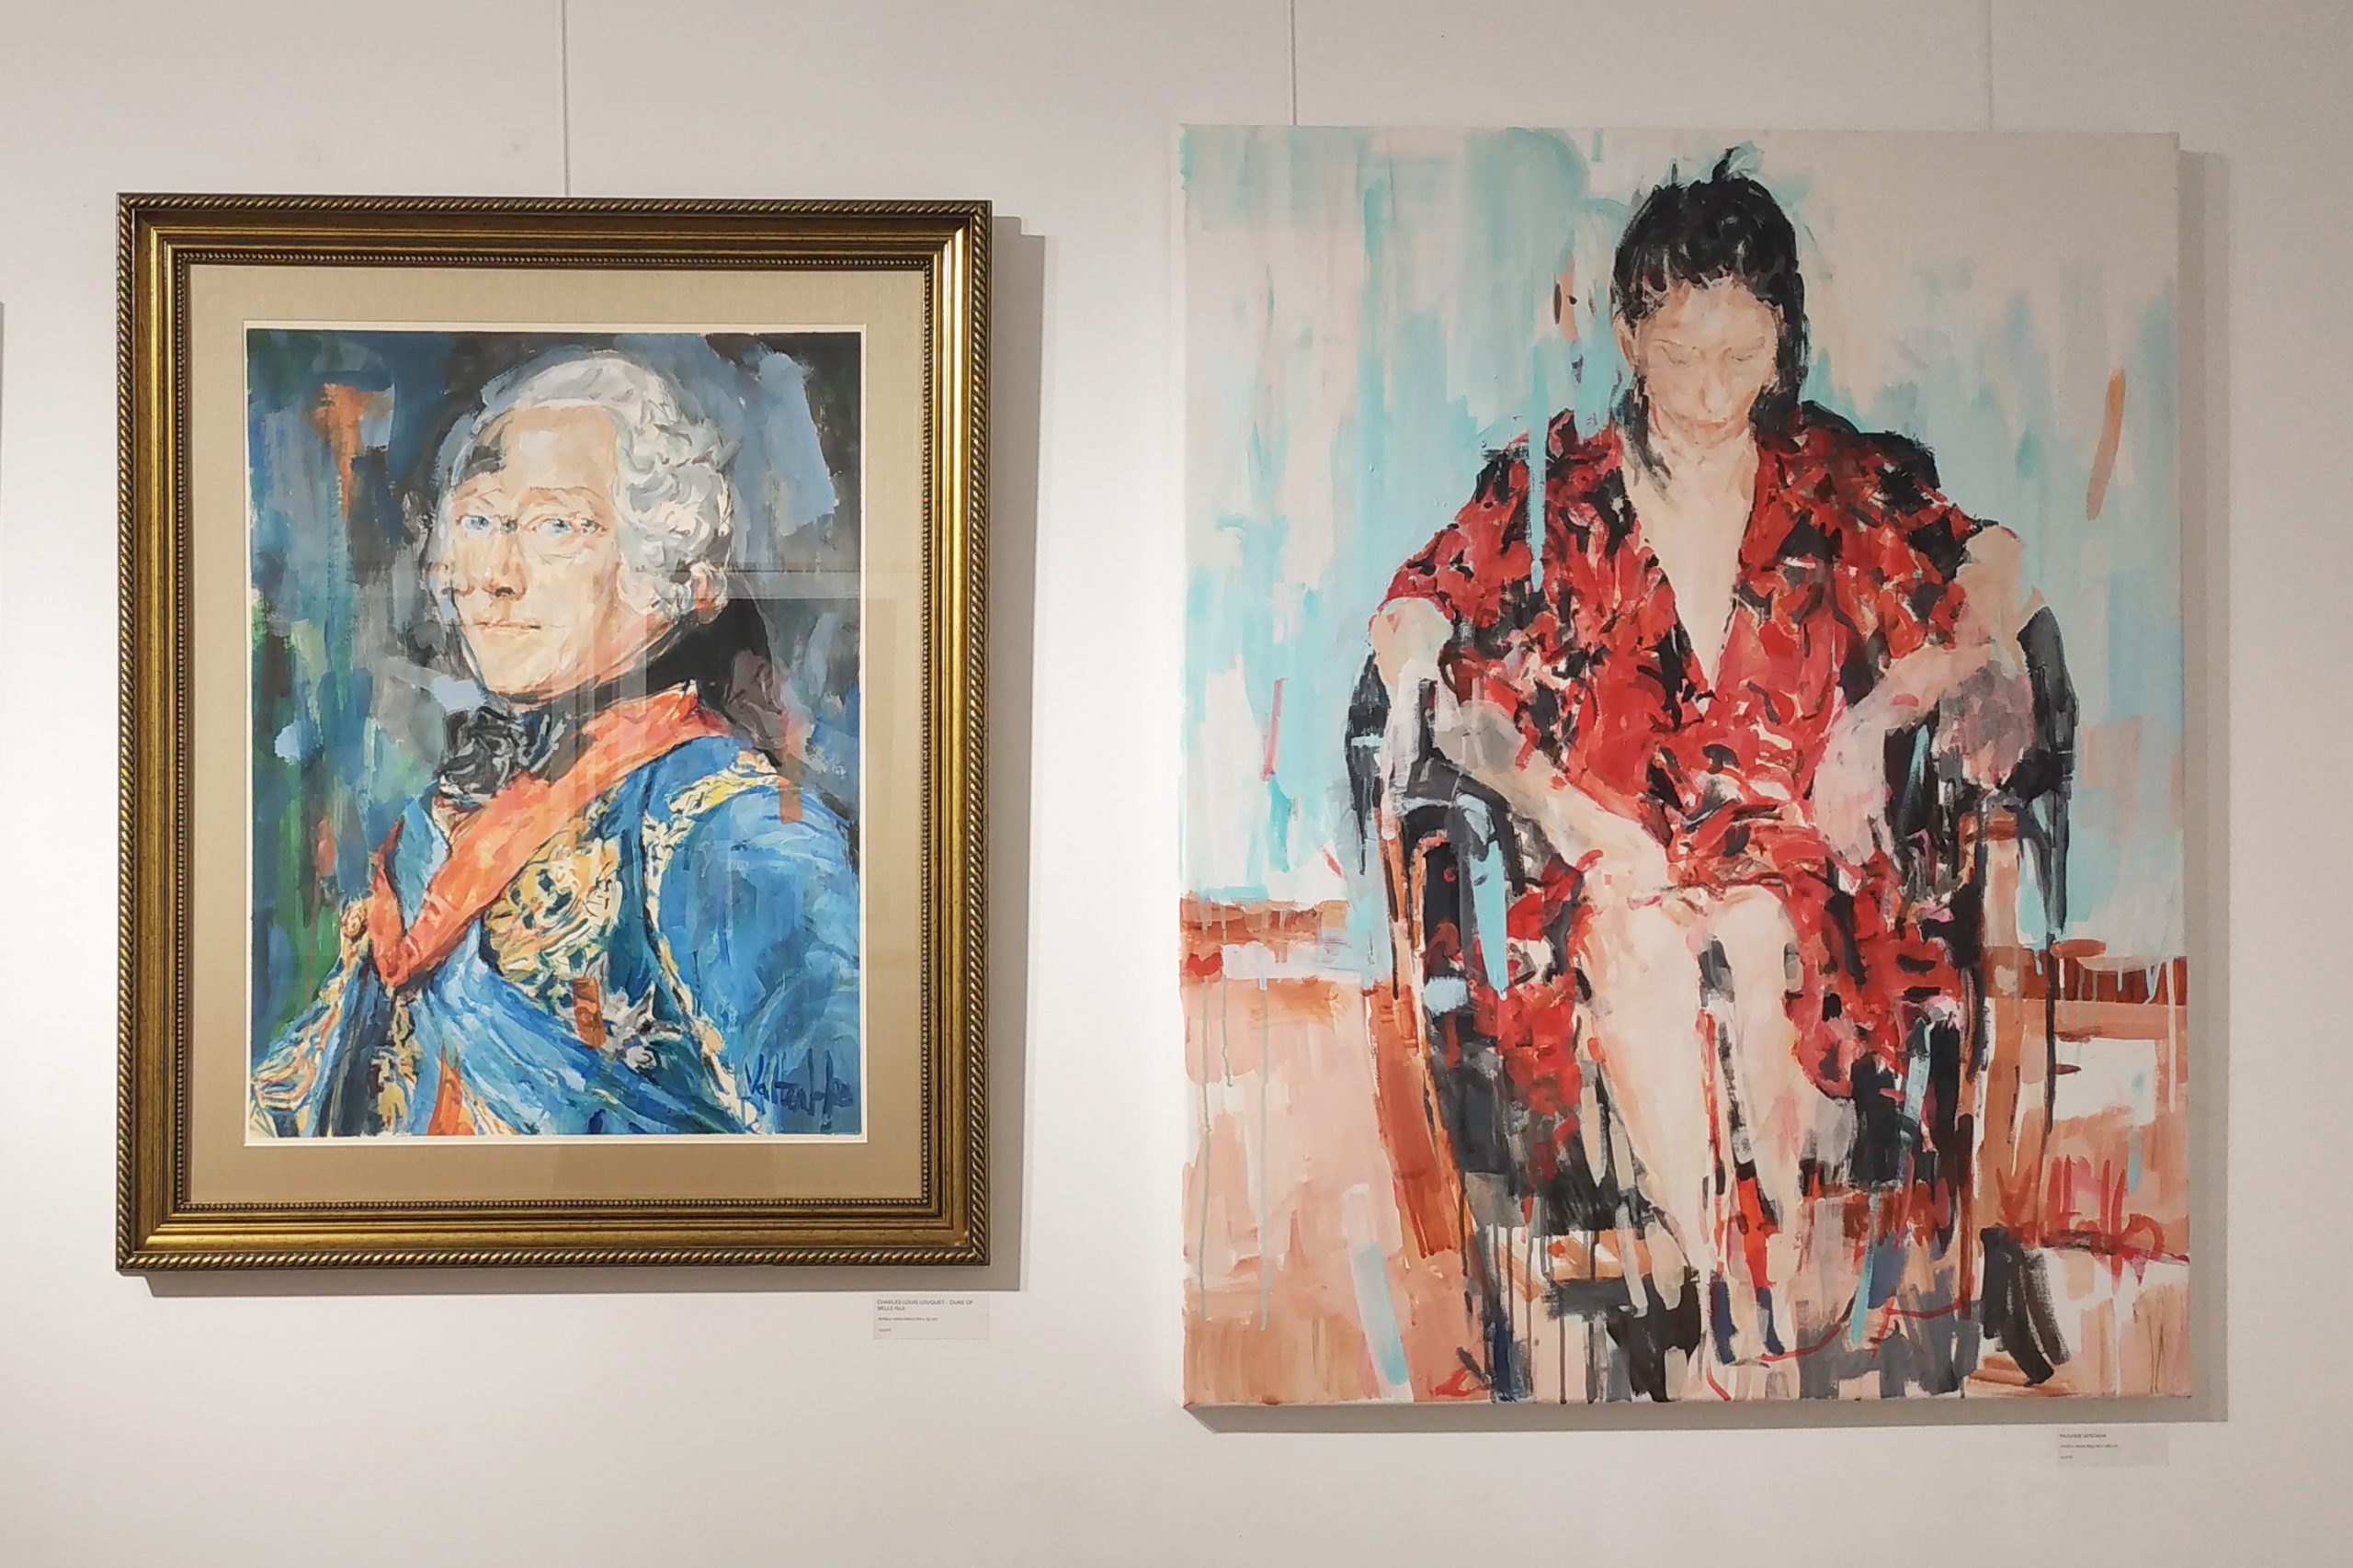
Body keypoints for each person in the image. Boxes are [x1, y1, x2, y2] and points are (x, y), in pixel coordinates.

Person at [1370, 159, 2039, 1380]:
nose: (1712, 391)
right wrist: (1554, 798)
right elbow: (1414, 620)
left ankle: (1747, 1303)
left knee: (1755, 925)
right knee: (1643, 936)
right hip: (1610, 868)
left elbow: (1993, 565)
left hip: (1801, 877)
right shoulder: (1551, 494)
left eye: (1742, 356)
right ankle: (1742, 1299)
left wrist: (1883, 712)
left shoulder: (1836, 478)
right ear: (1631, 335)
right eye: (1680, 355)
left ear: (1782, 341)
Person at [252, 350, 861, 1138]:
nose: (494, 574)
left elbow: (838, 1145)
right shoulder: (441, 816)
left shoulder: (732, 826)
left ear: (665, 572)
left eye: (555, 526)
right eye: (478, 521)